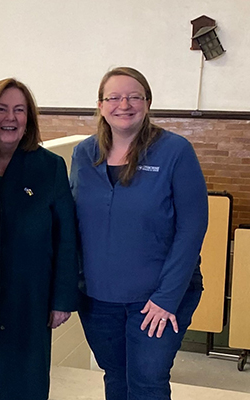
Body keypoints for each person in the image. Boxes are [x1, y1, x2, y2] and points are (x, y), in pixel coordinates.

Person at [70, 67, 208, 400]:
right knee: (116, 377)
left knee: (147, 381)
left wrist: (166, 298)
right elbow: (73, 222)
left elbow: (192, 227)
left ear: (147, 102)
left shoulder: (175, 151)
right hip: (99, 300)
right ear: (101, 105)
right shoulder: (84, 154)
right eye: (114, 97)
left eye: (134, 96)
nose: (124, 104)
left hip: (157, 300)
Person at [0, 78, 79, 400]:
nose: (10, 118)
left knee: (25, 382)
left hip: (29, 299)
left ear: (29, 119)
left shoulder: (50, 167)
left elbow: (66, 238)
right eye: (2, 109)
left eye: (19, 110)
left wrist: (62, 300)